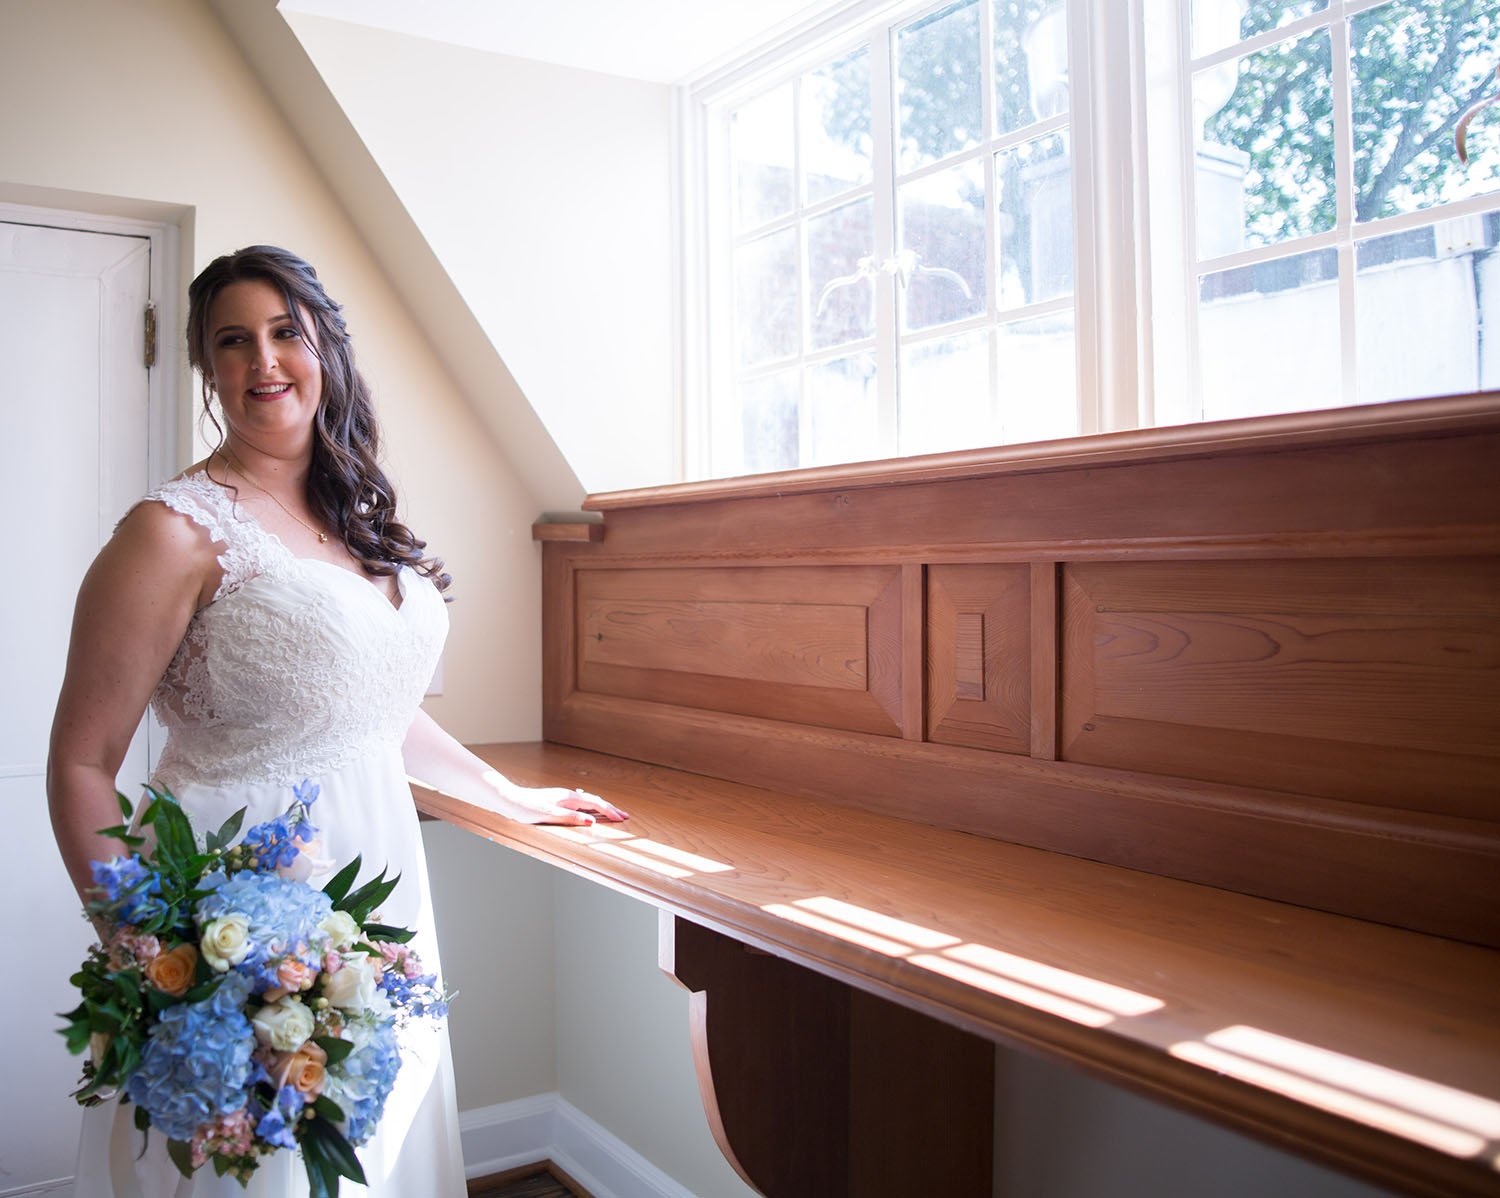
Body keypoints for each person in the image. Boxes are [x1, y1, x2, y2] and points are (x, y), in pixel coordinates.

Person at [47, 244, 625, 1196]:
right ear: (207, 368)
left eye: (286, 333)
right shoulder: (171, 531)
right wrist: (149, 950)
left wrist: (507, 795)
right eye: (233, 342)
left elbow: (375, 717)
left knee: (370, 1146)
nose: (264, 361)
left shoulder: (357, 515)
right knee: (258, 1164)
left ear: (326, 351)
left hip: (381, 874)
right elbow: (81, 761)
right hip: (234, 897)